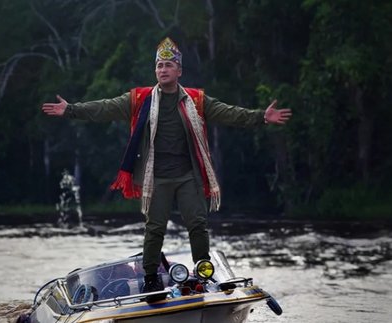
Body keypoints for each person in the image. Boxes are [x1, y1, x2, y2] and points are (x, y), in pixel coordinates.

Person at [42, 37, 291, 302]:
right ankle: (151, 281)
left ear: (179, 71)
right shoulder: (140, 99)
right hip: (156, 178)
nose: (163, 70)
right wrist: (70, 110)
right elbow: (104, 108)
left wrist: (261, 117)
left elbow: (229, 112)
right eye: (159, 65)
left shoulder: (195, 100)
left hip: (187, 176)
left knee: (197, 223)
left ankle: (204, 273)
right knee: (155, 228)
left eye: (168, 65)